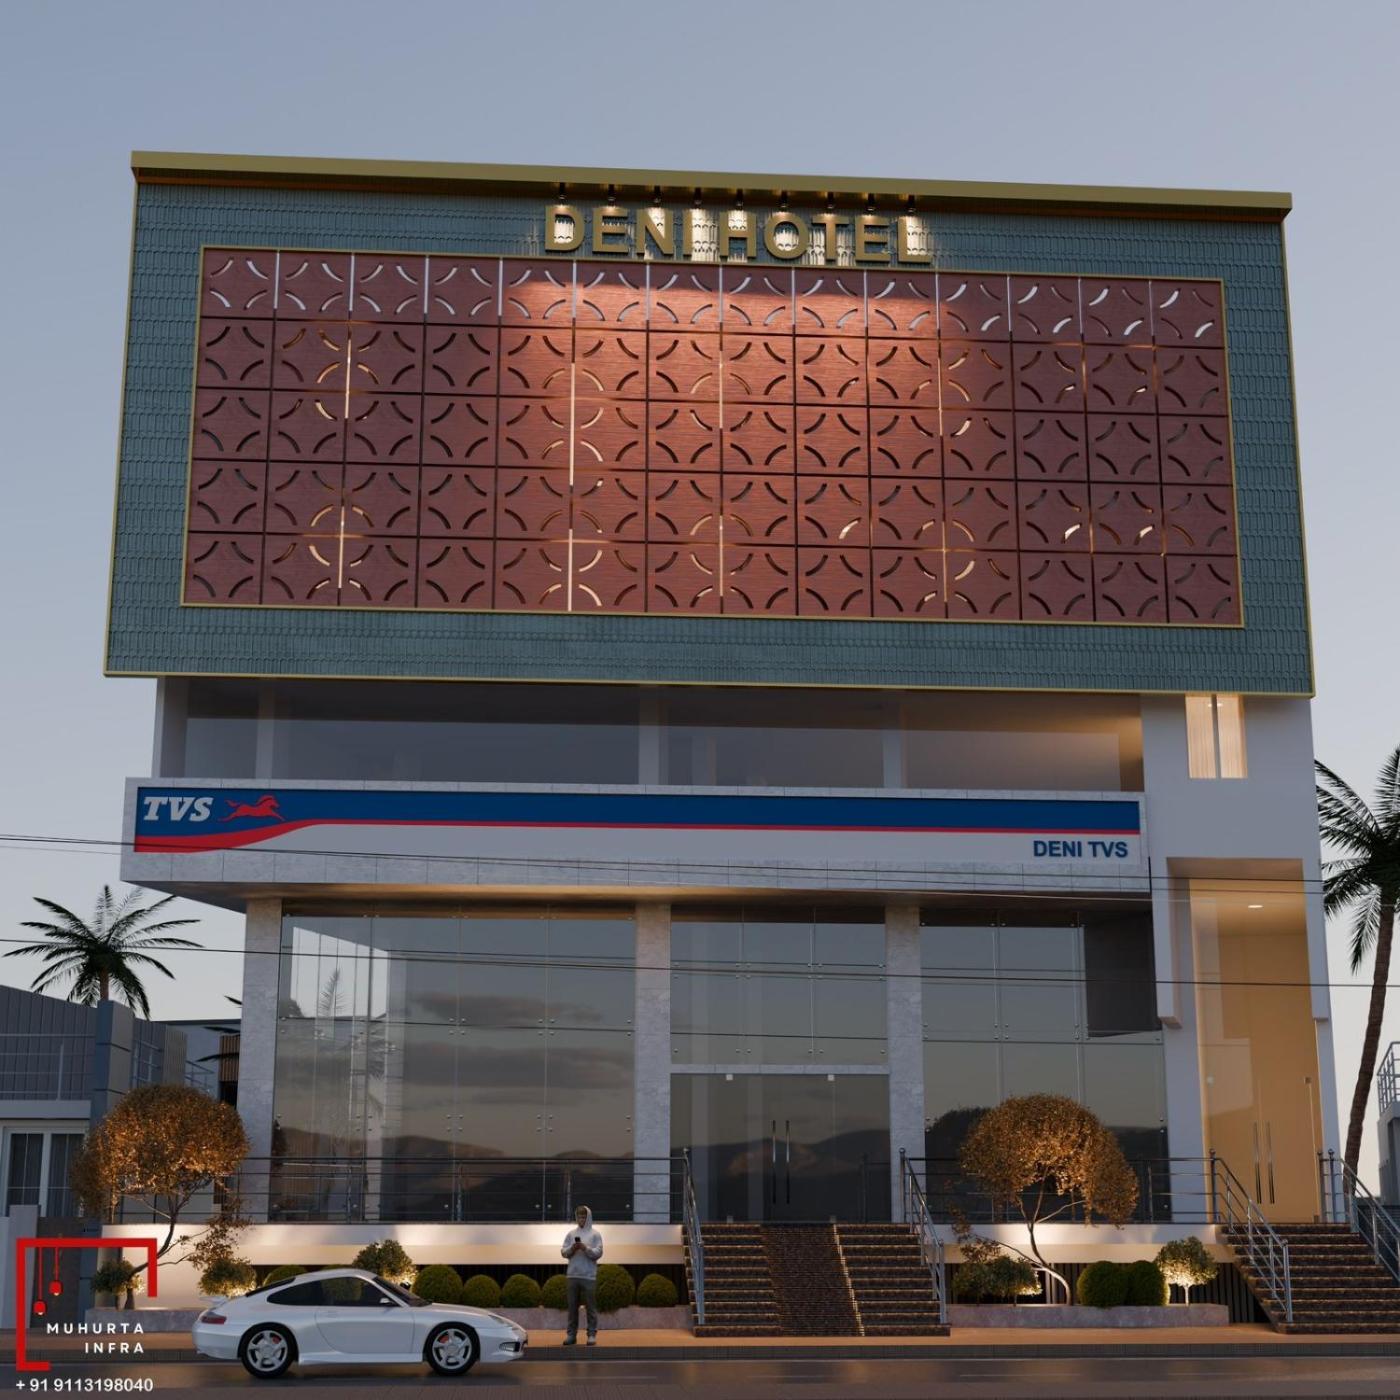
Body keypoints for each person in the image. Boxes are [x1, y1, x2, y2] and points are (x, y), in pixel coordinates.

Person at [560, 1205, 604, 1345]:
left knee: (591, 1307)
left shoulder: (595, 1234)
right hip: (572, 1275)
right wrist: (572, 1249)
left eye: (584, 1217)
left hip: (589, 1276)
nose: (581, 1219)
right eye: (579, 1217)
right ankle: (571, 1335)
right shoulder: (571, 1234)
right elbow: (563, 1252)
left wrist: (586, 1248)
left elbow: (599, 1253)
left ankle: (591, 1335)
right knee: (572, 1308)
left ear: (588, 1217)